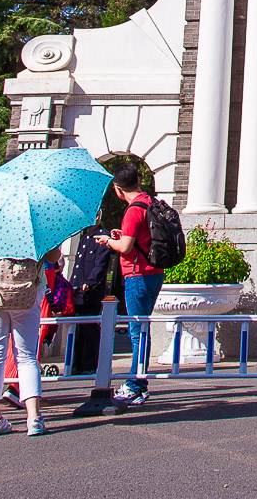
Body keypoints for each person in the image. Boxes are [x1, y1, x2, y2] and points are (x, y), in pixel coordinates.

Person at [94, 162, 164, 406]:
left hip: (137, 274)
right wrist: (121, 237)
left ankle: (136, 384)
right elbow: (137, 240)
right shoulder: (149, 202)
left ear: (117, 189)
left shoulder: (133, 210)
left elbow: (125, 247)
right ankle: (139, 382)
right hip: (153, 272)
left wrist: (107, 241)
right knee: (141, 327)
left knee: (137, 331)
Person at [0, 245, 62, 437]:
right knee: (26, 357)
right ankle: (33, 418)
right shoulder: (40, 224)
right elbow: (53, 256)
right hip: (28, 295)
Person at [69, 230, 116, 377]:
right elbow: (78, 265)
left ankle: (89, 365)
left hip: (91, 293)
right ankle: (76, 364)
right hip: (78, 291)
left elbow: (100, 265)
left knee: (90, 330)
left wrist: (90, 282)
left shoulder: (101, 236)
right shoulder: (83, 238)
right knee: (77, 330)